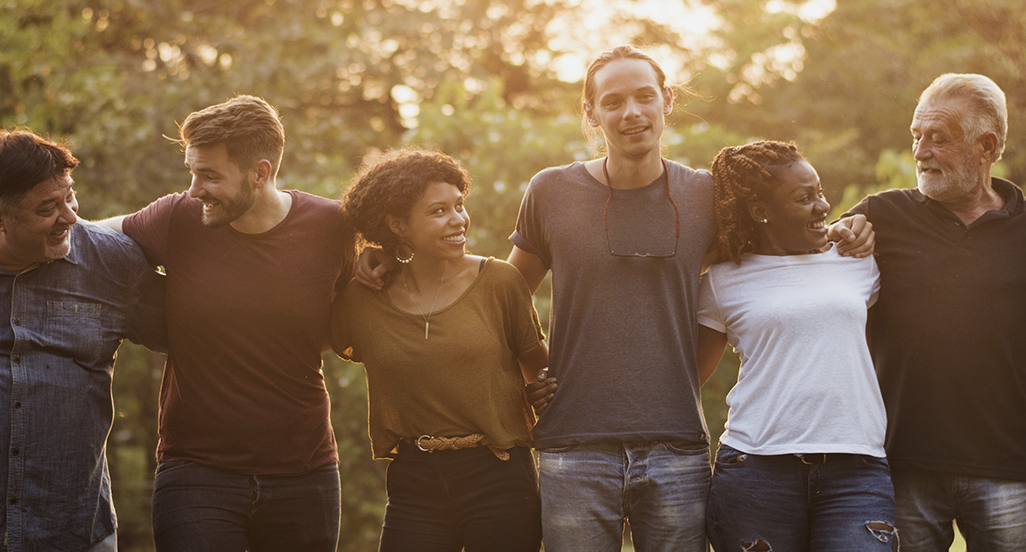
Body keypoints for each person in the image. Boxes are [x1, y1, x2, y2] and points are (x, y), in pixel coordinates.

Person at [354, 45, 872, 551]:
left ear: (667, 100)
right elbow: (500, 300)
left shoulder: (706, 197)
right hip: (572, 450)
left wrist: (851, 229)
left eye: (645, 97)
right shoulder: (550, 191)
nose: (632, 113)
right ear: (591, 112)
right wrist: (392, 255)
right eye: (613, 101)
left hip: (677, 450)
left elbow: (777, 246)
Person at [843, 73, 1026, 550]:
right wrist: (844, 234)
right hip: (902, 464)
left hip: (1005, 466)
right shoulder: (881, 216)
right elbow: (807, 264)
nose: (920, 151)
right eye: (916, 136)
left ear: (987, 146)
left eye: (938, 139)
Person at [98, 95, 355, 551]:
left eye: (210, 176)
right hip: (196, 474)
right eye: (192, 172)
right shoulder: (179, 218)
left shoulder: (332, 226)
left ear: (260, 173)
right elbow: (85, 239)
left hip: (305, 474)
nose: (195, 188)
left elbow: (362, 309)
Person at [330, 149, 548, 551]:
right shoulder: (362, 299)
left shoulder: (501, 282)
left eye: (459, 205)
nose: (458, 220)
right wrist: (361, 259)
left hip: (498, 475)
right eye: (438, 211)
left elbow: (542, 371)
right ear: (397, 224)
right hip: (416, 481)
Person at [697, 140, 897, 552]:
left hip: (856, 471)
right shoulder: (722, 280)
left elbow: (878, 351)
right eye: (804, 198)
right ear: (759, 212)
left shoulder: (857, 260)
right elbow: (688, 378)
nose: (822, 206)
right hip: (756, 471)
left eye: (820, 192)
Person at [0, 129, 165, 552]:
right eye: (48, 207)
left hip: (74, 532)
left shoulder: (111, 262)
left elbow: (203, 333)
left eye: (69, 196)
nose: (70, 216)